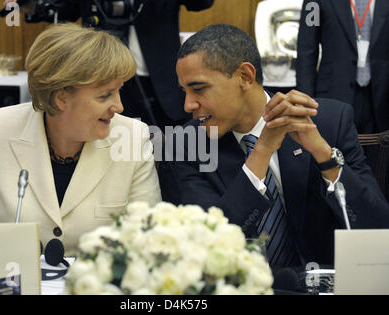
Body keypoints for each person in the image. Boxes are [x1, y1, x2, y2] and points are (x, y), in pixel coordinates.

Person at [159, 24, 389, 269]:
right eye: (184, 91)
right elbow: (207, 248)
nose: (187, 105)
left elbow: (378, 229)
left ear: (245, 76)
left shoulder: (328, 121)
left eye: (198, 89)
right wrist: (262, 150)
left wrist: (324, 156)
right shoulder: (185, 144)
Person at [0, 23, 161, 256]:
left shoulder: (131, 138)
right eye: (105, 95)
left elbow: (148, 237)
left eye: (119, 91)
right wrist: (1, 269)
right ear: (61, 98)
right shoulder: (2, 128)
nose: (118, 106)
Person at [3, 0, 214, 131]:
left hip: (160, 82)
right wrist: (33, 6)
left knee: (167, 160)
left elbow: (201, 2)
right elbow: (66, 7)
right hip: (99, 80)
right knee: (109, 152)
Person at [296, 0, 389, 134]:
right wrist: (305, 103)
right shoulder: (314, 3)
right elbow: (306, 50)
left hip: (382, 99)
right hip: (333, 95)